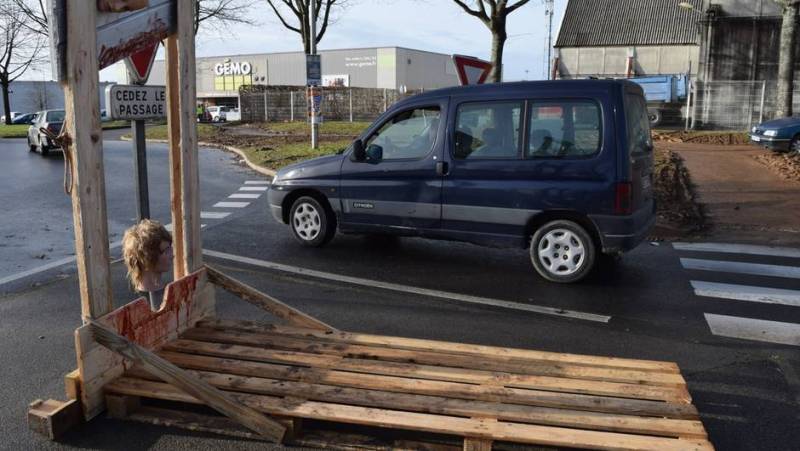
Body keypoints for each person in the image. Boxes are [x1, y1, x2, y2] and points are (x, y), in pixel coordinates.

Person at [121, 219, 173, 309]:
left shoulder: (173, 292)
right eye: (166, 250)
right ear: (148, 258)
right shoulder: (129, 306)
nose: (172, 255)